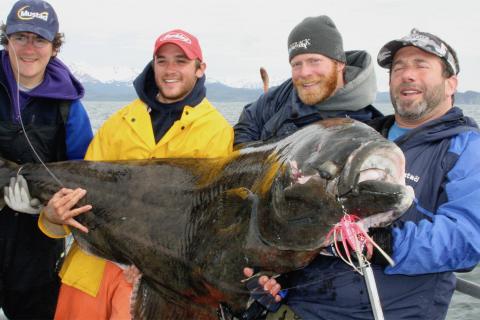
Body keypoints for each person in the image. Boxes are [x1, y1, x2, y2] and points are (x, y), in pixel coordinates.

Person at [249, 29, 480, 320]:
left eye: (421, 65)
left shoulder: (466, 146)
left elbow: (469, 238)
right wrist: (275, 274)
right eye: (398, 68)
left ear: (451, 84)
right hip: (298, 306)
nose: (407, 75)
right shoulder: (360, 135)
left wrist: (382, 243)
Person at [34, 29, 233, 319]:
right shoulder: (119, 122)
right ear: (153, 65)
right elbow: (79, 194)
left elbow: (208, 219)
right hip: (88, 271)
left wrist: (154, 258)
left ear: (200, 69)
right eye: (162, 60)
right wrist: (52, 221)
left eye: (181, 61)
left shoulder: (217, 132)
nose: (170, 70)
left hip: (153, 283)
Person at [0, 0, 93, 318]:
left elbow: (85, 180)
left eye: (39, 39)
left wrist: (49, 213)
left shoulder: (70, 108)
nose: (29, 48)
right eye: (20, 37)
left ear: (54, 47)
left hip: (37, 248)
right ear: (6, 40)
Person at [233, 15, 382, 146]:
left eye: (314, 61)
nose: (304, 73)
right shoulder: (284, 93)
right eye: (296, 64)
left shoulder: (367, 127)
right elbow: (249, 121)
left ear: (340, 64)